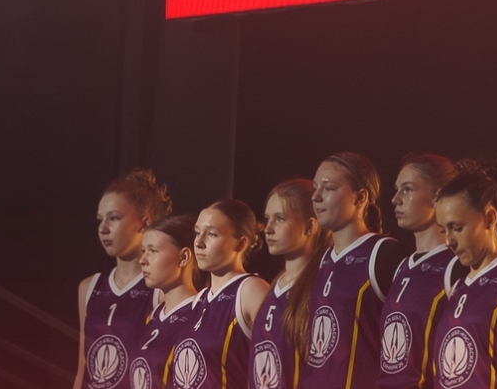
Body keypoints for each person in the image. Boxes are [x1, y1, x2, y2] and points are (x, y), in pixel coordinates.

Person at [303, 151, 412, 388]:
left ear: (360, 197)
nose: (317, 196)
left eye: (328, 188)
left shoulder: (382, 254)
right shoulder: (322, 260)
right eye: (315, 188)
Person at [430, 159, 497, 389]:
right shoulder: (457, 288)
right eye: (444, 230)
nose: (448, 241)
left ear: (489, 218)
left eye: (457, 228)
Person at [76, 168, 171, 389]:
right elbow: (83, 367)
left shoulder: (161, 290)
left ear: (144, 223)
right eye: (100, 219)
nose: (103, 228)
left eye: (114, 218)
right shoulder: (89, 287)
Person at [379, 153, 460, 388]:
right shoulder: (402, 268)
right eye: (397, 190)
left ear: (437, 196)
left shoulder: (455, 266)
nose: (396, 199)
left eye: (408, 189)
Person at [174, 198, 271, 388]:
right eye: (197, 232)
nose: (199, 242)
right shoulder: (200, 299)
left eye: (212, 234)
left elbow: (276, 362)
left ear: (240, 244)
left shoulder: (250, 290)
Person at [256, 179, 331, 389]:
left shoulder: (321, 288)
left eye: (280, 219)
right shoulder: (274, 286)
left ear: (310, 226)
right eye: (267, 219)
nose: (268, 229)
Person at [129, 213, 204, 389]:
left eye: (153, 251)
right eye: (143, 250)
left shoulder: (200, 315)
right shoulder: (154, 315)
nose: (142, 260)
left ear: (183, 257)